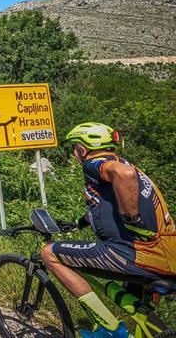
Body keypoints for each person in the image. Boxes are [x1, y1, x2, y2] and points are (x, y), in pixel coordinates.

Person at [41, 122, 176, 338]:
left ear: (82, 149)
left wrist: (131, 219)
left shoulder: (95, 163)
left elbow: (123, 174)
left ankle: (108, 328)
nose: (74, 154)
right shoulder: (127, 164)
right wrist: (80, 222)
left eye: (74, 148)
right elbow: (106, 202)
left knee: (48, 253)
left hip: (134, 253)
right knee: (137, 308)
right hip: (165, 254)